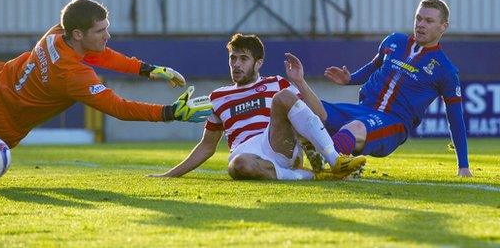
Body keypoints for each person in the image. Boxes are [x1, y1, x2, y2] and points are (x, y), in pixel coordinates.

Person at [0, 0, 212, 151]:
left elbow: (103, 54)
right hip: (5, 118)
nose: (107, 36)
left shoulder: (58, 33)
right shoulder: (73, 76)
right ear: (79, 34)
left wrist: (147, 69)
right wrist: (170, 113)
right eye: (101, 31)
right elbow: (119, 108)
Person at [150, 33, 366, 181]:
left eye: (243, 59)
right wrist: (169, 175)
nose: (236, 64)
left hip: (276, 141)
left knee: (283, 96)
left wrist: (299, 82)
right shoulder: (218, 97)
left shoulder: (275, 83)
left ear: (258, 63)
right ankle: (305, 175)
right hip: (247, 153)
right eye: (233, 58)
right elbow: (207, 146)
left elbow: (320, 115)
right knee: (237, 166)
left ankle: (335, 160)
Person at [323, 0, 472, 177]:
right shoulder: (394, 41)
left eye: (429, 21)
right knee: (309, 108)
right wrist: (351, 79)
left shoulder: (446, 70)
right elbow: (374, 66)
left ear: (443, 27)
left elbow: (455, 117)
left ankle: (325, 163)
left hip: (392, 122)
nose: (421, 24)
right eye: (418, 18)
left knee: (354, 128)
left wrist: (463, 166)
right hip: (363, 110)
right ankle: (289, 162)